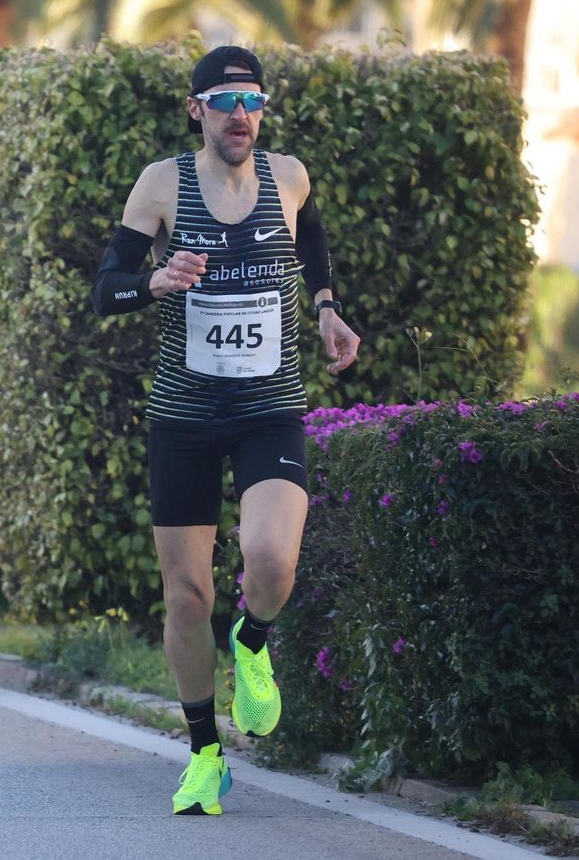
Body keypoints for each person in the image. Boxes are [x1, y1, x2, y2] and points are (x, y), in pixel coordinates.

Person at [90, 46, 361, 816]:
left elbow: (310, 242)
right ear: (196, 109)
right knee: (185, 594)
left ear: (262, 112)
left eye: (252, 102)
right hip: (183, 416)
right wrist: (155, 280)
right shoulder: (163, 182)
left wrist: (328, 307)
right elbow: (106, 289)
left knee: (272, 560)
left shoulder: (289, 176)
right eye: (224, 101)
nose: (240, 115)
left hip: (268, 406)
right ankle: (205, 754)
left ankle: (251, 641)